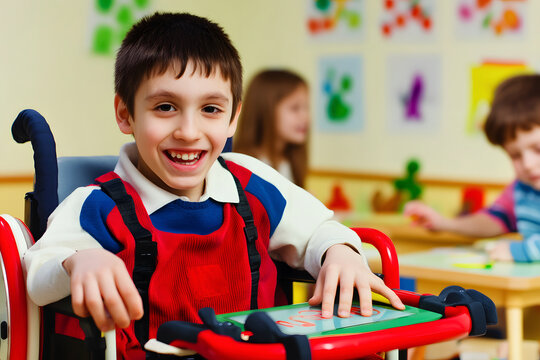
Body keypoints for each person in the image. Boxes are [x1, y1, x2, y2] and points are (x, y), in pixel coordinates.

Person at [22, 12, 403, 358]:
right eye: (165, 107)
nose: (189, 132)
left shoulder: (249, 181)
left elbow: (318, 230)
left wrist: (339, 251)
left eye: (210, 109)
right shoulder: (96, 205)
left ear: (233, 118)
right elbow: (37, 273)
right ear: (126, 114)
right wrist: (79, 261)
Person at [404, 74, 540, 262]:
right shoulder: (522, 188)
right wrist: (444, 223)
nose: (527, 164)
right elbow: (494, 220)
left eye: (538, 149)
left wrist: (520, 252)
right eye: (515, 155)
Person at [233, 69, 310, 187]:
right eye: (295, 108)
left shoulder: (289, 163)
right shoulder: (246, 167)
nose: (305, 117)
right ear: (266, 111)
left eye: (306, 107)